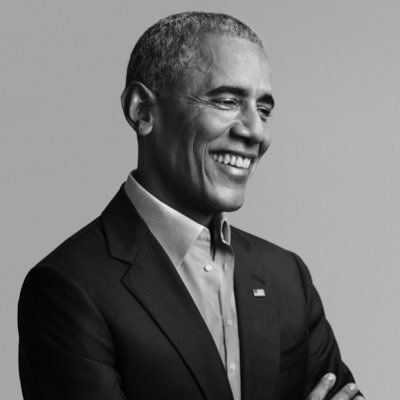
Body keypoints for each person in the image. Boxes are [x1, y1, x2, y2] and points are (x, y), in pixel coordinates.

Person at [18, 12, 363, 400]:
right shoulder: (69, 287)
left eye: (264, 110)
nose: (256, 132)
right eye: (227, 101)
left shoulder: (287, 277)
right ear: (142, 110)